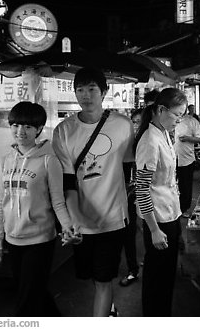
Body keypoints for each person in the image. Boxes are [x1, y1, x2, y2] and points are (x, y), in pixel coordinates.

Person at [52, 67, 135, 317]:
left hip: (113, 218)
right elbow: (67, 182)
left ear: (104, 92)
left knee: (103, 279)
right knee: (92, 276)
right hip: (82, 222)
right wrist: (74, 220)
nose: (85, 95)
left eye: (92, 89)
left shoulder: (122, 124)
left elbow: (128, 168)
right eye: (80, 90)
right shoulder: (63, 131)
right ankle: (109, 305)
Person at [0, 101, 75, 316]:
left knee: (26, 300)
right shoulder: (5, 161)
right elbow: (0, 204)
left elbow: (58, 200)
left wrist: (67, 226)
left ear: (38, 129)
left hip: (40, 239)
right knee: (34, 292)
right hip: (12, 239)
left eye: (28, 126)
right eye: (16, 125)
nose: (21, 131)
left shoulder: (49, 160)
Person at [134, 87, 187, 316]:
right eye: (177, 115)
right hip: (158, 220)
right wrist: (154, 229)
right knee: (157, 279)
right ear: (161, 110)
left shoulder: (163, 132)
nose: (179, 120)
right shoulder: (149, 141)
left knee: (166, 276)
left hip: (170, 214)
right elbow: (142, 189)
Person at [119, 108, 143, 287]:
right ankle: (132, 267)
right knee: (127, 232)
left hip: (140, 195)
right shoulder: (122, 143)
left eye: (141, 122)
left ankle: (134, 268)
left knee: (133, 231)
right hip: (121, 195)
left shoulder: (148, 142)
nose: (137, 126)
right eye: (134, 122)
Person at [174, 108, 200, 216]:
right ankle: (173, 207)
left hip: (187, 158)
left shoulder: (192, 121)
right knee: (171, 184)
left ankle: (184, 208)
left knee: (185, 185)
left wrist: (188, 138)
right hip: (171, 157)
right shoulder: (170, 119)